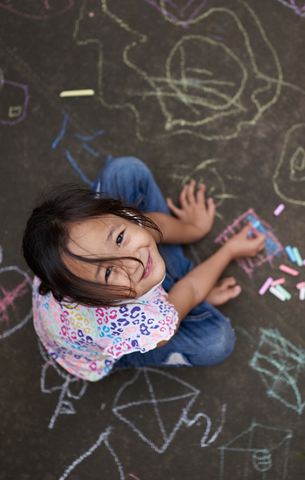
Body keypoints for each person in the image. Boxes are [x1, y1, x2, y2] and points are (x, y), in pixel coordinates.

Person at [22, 156, 266, 381]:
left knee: (127, 171)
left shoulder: (87, 254)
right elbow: (190, 289)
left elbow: (153, 225)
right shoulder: (138, 325)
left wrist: (194, 228)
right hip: (104, 342)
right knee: (217, 341)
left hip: (93, 297)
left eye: (119, 239)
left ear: (119, 212)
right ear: (92, 299)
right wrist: (230, 250)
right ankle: (173, 293)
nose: (132, 261)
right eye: (108, 272)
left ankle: (174, 286)